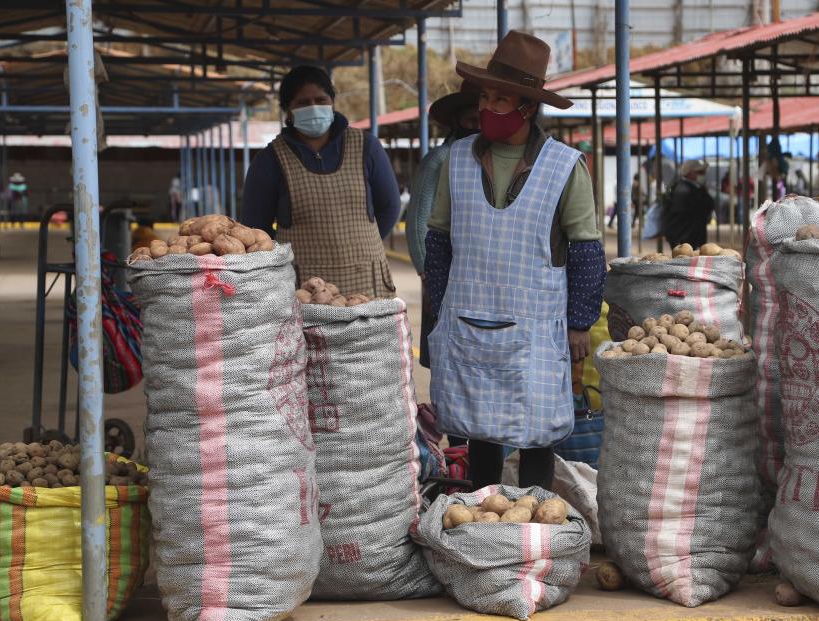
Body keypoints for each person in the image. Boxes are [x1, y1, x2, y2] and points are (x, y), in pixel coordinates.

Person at [424, 31, 606, 491]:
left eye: (501, 98)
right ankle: (484, 526)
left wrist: (580, 322)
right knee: (480, 431)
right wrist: (437, 313)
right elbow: (439, 241)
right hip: (468, 318)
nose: (489, 107)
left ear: (527, 106)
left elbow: (586, 249)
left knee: (535, 436)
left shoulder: (565, 166)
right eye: (485, 96)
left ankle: (531, 534)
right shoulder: (457, 159)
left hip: (535, 326)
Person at [241, 65, 401, 297]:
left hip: (366, 280)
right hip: (305, 289)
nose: (313, 107)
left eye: (320, 99)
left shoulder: (367, 147)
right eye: (303, 103)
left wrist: (364, 246)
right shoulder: (270, 160)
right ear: (287, 110)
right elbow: (256, 230)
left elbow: (389, 207)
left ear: (332, 102)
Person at [406, 80, 480, 371]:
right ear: (457, 121)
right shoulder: (439, 159)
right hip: (442, 273)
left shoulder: (486, 159)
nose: (477, 125)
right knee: (444, 353)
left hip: (473, 274)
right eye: (470, 119)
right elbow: (416, 222)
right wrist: (427, 272)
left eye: (481, 119)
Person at [663, 159, 714, 250]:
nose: (702, 175)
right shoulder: (685, 190)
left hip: (687, 236)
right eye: (700, 172)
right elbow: (705, 206)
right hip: (685, 238)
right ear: (689, 173)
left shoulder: (686, 187)